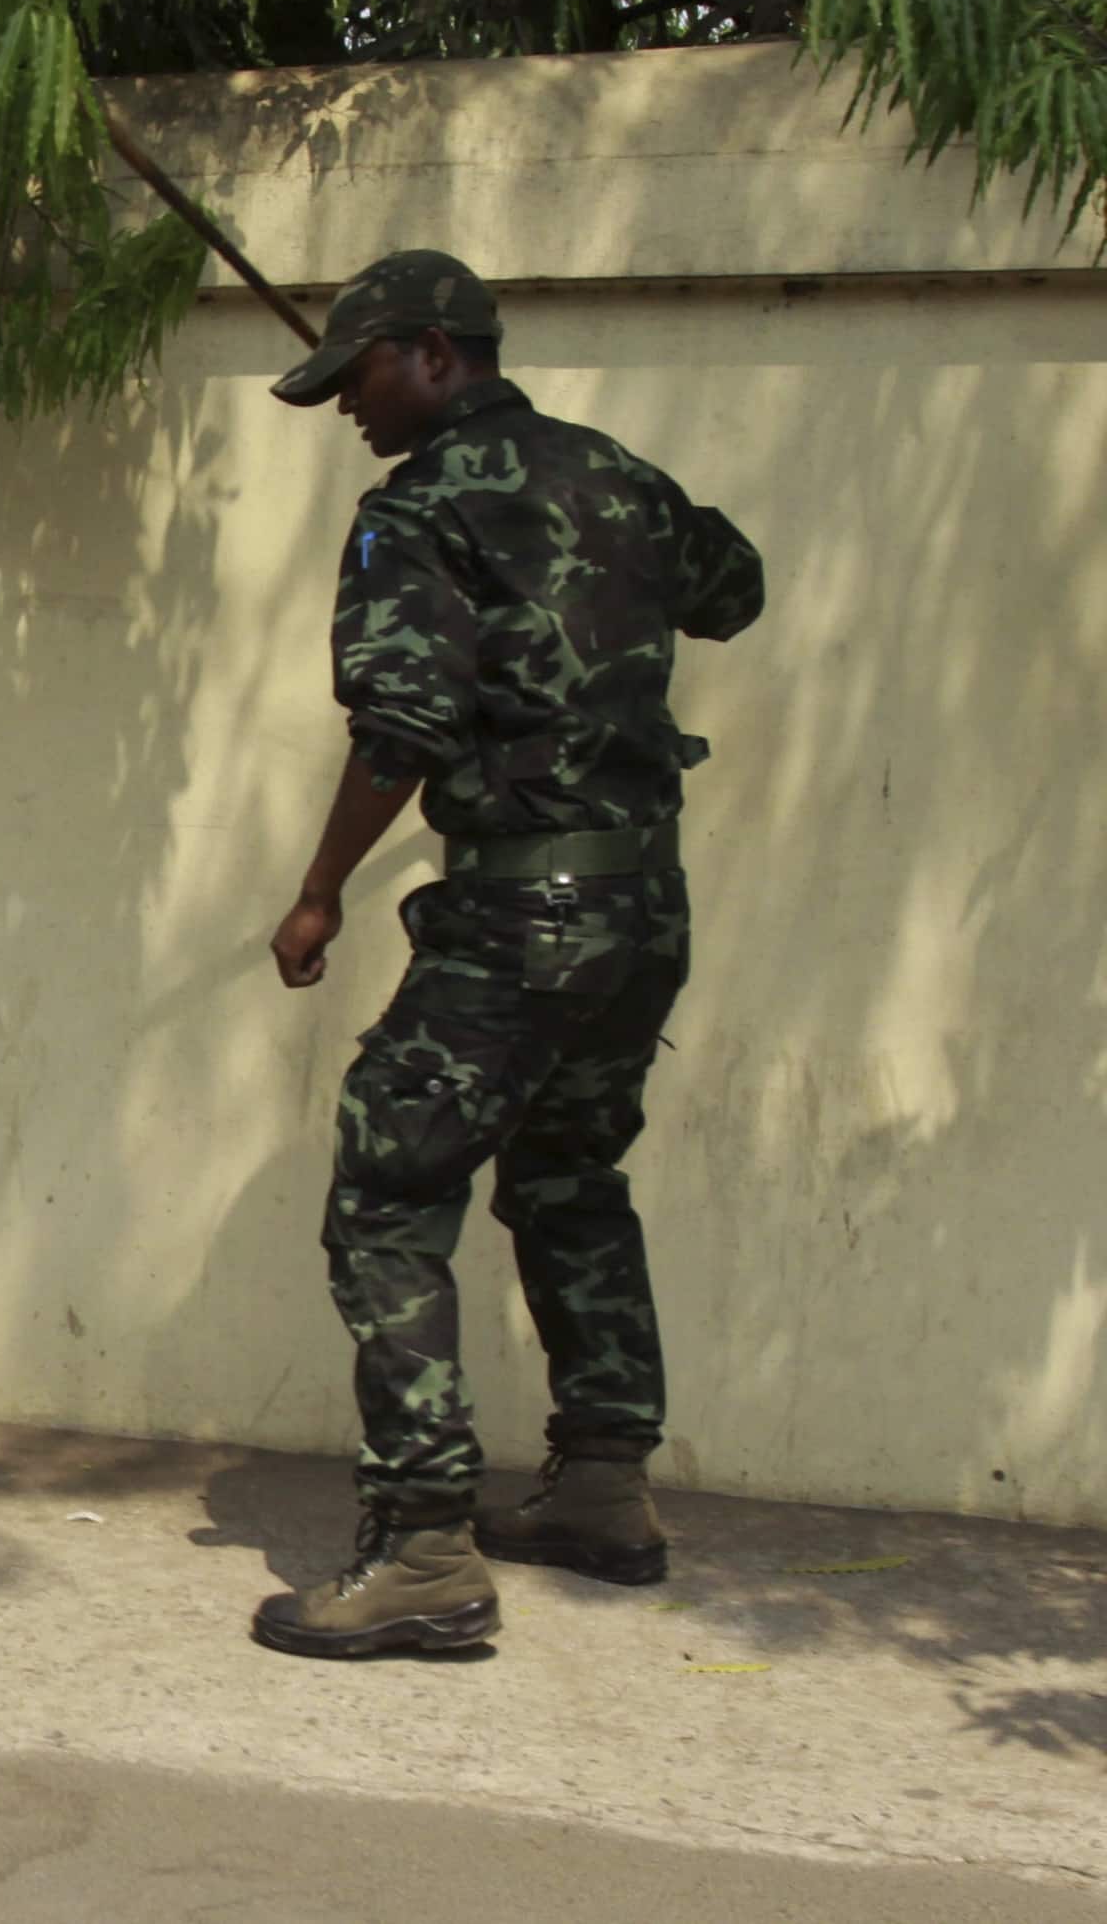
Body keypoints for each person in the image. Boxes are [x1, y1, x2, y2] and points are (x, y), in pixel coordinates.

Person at [249, 251, 764, 1660]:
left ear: (431, 354)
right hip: (640, 914)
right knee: (568, 1174)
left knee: (390, 1186)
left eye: (354, 377)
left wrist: (318, 894)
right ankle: (605, 1488)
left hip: (517, 919)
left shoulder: (414, 512)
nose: (345, 407)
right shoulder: (617, 475)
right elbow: (734, 588)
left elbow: (403, 724)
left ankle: (422, 1545)